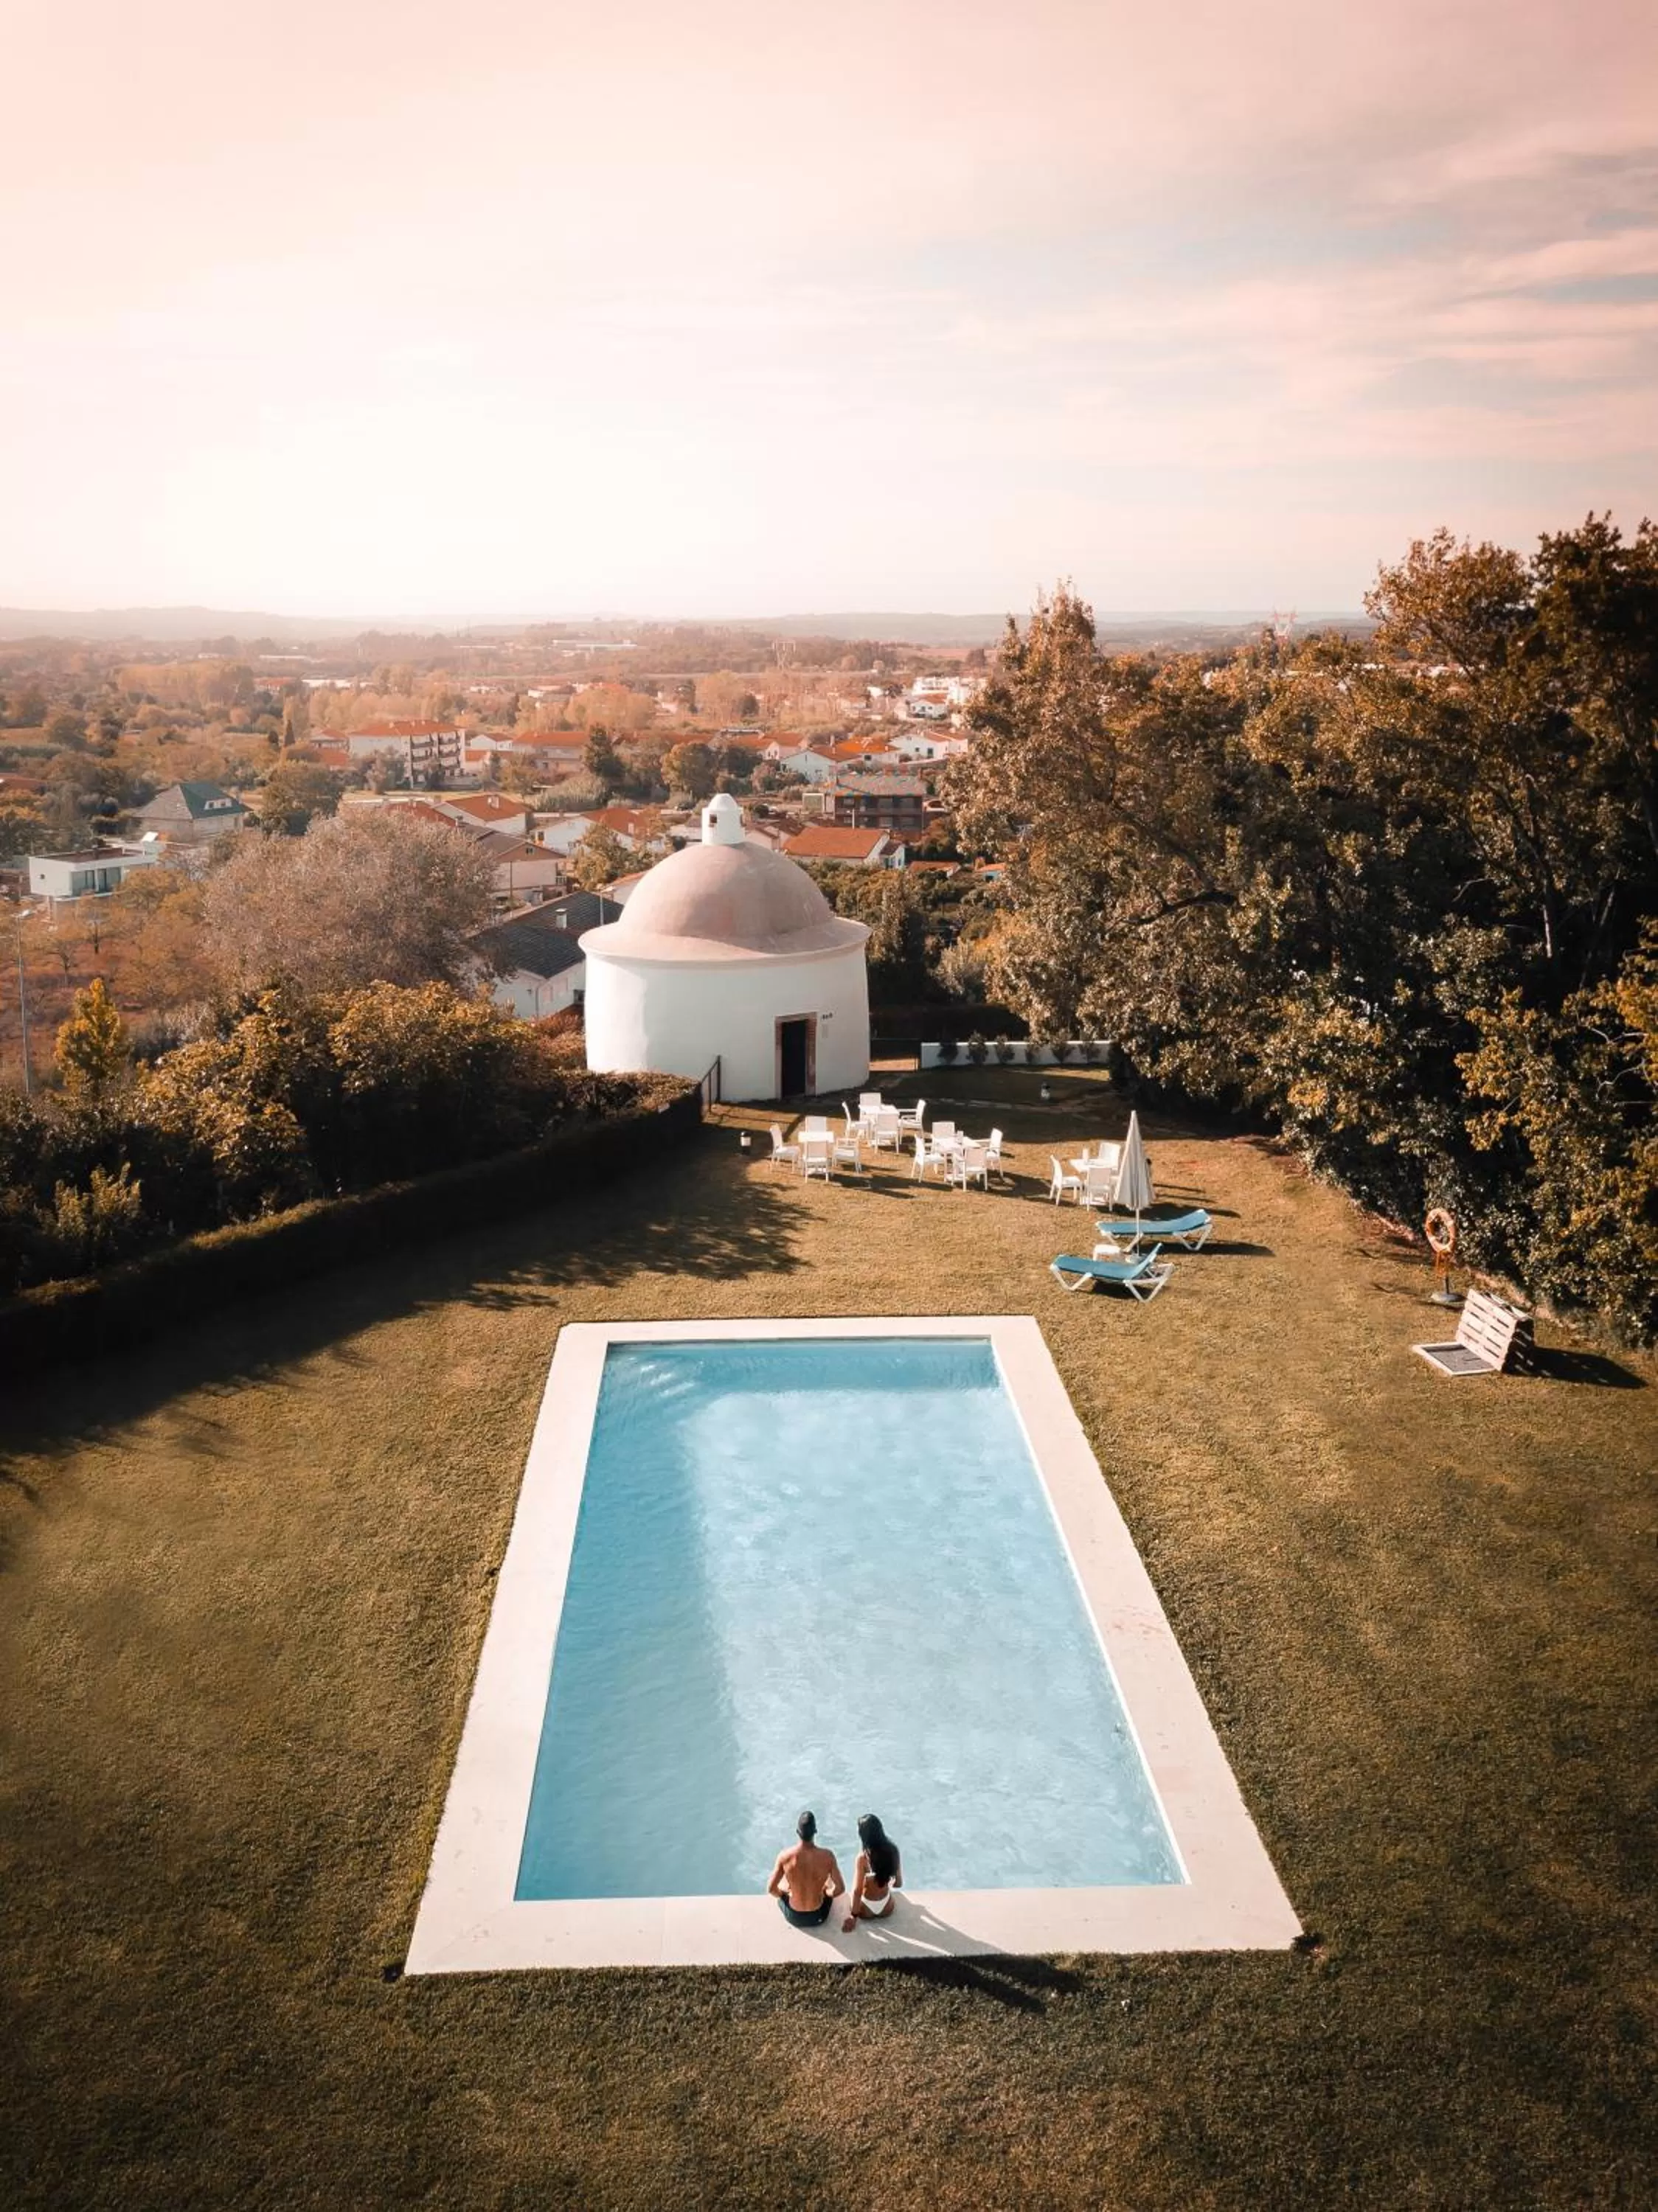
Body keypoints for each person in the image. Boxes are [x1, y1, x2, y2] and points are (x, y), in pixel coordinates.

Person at [766, 1809, 844, 1928]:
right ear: (815, 1831)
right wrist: (826, 1893)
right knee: (828, 1880)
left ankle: (792, 1890)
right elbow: (840, 1889)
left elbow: (771, 1889)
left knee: (784, 1881)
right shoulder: (827, 1856)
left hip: (794, 1916)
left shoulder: (785, 1857)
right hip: (818, 1916)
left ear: (797, 1832)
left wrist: (784, 1894)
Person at [842, 1812, 902, 1930]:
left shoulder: (863, 1858)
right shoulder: (893, 1851)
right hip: (886, 1908)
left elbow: (857, 1891)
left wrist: (853, 1916)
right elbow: (899, 1884)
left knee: (853, 1889)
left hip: (865, 1909)